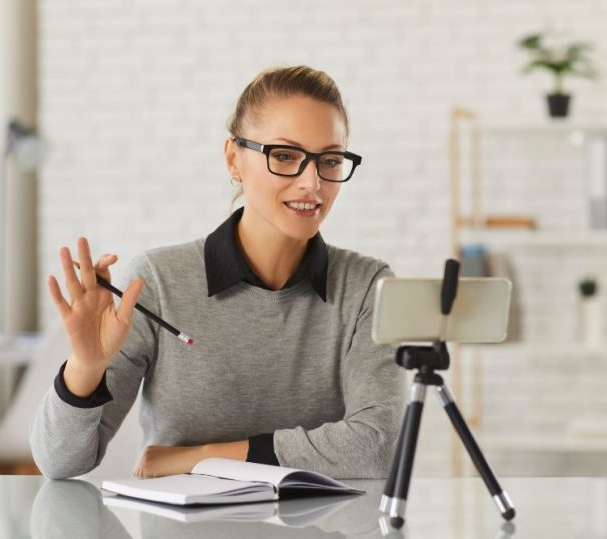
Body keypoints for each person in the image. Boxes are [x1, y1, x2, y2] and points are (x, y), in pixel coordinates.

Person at [30, 65, 408, 480]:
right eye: (285, 156)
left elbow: (378, 447)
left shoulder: (367, 286)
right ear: (234, 158)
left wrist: (203, 457)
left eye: (330, 161)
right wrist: (85, 368)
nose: (311, 182)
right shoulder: (157, 281)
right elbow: (60, 463)